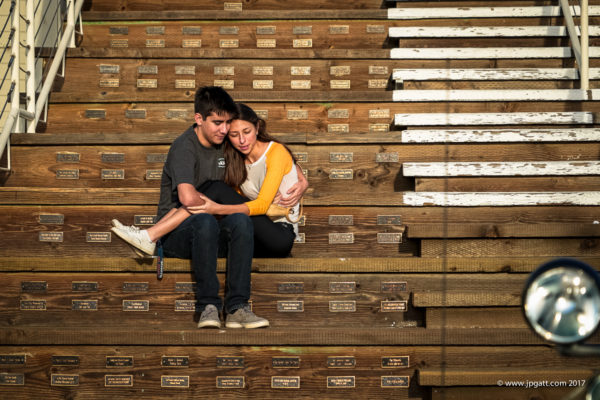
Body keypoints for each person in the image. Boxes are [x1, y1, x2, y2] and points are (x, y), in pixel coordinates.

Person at [110, 87, 307, 330]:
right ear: (199, 119)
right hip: (180, 234)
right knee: (207, 214)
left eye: (227, 124)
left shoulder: (226, 144)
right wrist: (214, 207)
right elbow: (187, 197)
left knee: (237, 218)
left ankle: (237, 308)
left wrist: (301, 177)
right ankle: (208, 306)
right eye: (218, 123)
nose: (226, 131)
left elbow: (270, 155)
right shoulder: (187, 147)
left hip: (233, 232)